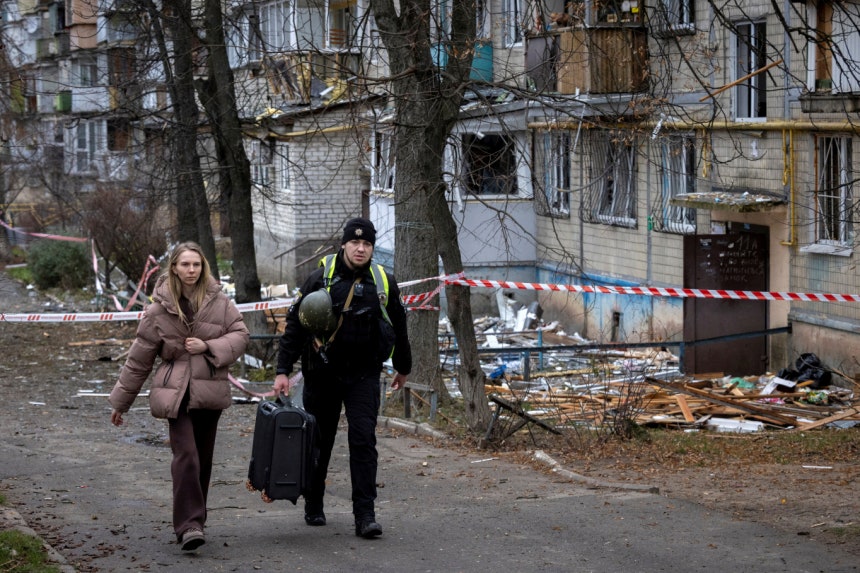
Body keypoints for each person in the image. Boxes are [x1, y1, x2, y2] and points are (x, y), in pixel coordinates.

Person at [273, 217, 412, 539]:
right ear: (344, 244)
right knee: (320, 441)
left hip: (363, 375)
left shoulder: (383, 281)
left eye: (367, 244)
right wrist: (282, 370)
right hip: (322, 374)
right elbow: (295, 326)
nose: (361, 249)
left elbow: (400, 326)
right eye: (355, 243)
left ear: (372, 248)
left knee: (363, 441)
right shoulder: (320, 279)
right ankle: (314, 501)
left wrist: (403, 366)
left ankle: (365, 515)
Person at [108, 242, 249, 551]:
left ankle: (195, 519)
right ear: (173, 267)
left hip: (209, 389)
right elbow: (139, 359)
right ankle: (189, 526)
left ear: (203, 268)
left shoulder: (220, 302)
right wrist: (121, 402)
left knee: (203, 461)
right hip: (176, 394)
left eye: (196, 265)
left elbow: (240, 335)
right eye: (185, 264)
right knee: (186, 456)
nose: (191, 270)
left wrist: (209, 347)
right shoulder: (158, 310)